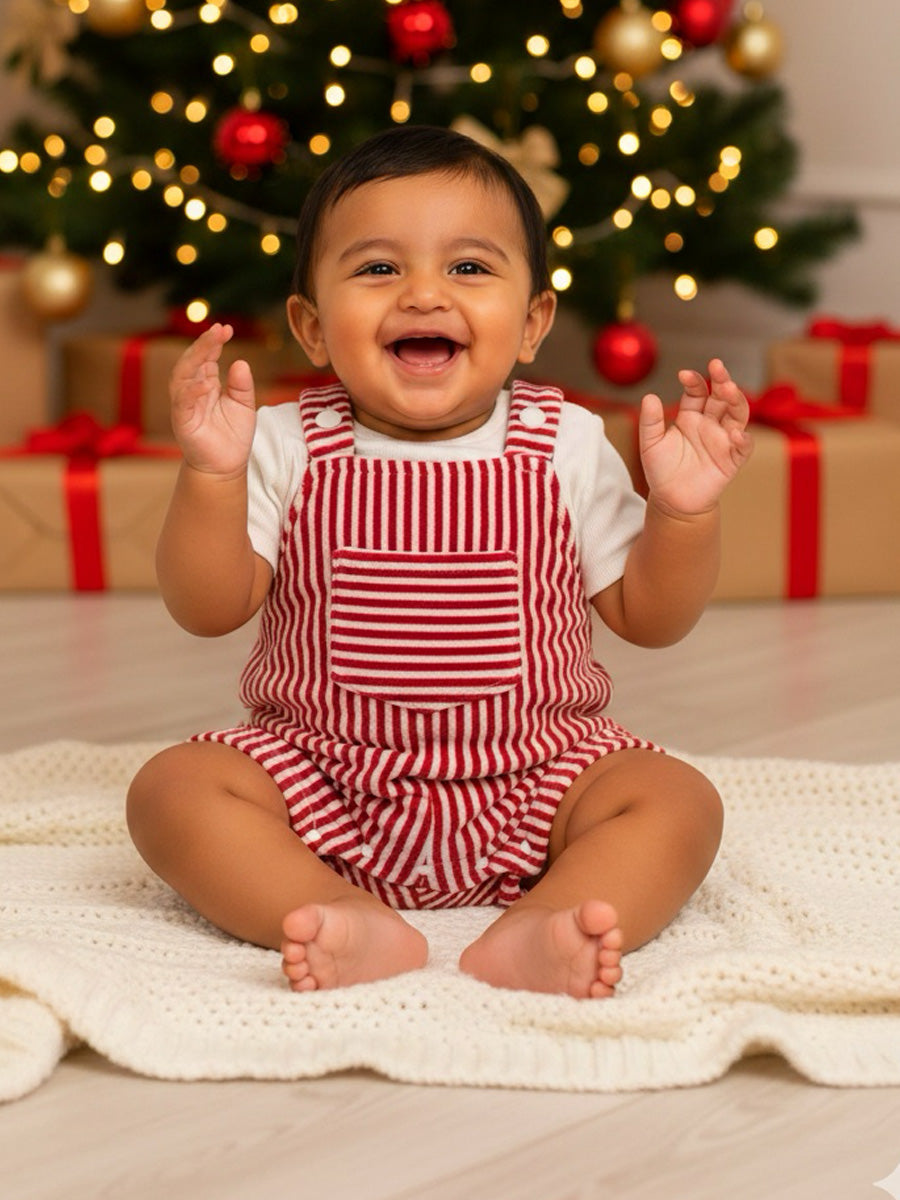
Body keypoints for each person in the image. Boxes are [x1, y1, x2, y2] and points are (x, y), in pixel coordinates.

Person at [127, 124, 752, 1000]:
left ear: (531, 323)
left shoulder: (565, 442)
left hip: (536, 779)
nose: (423, 293)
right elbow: (206, 607)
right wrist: (210, 475)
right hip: (321, 781)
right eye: (379, 268)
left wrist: (683, 514)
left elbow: (652, 621)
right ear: (312, 327)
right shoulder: (281, 441)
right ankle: (332, 910)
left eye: (468, 267)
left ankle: (544, 925)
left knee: (678, 799)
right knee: (171, 789)